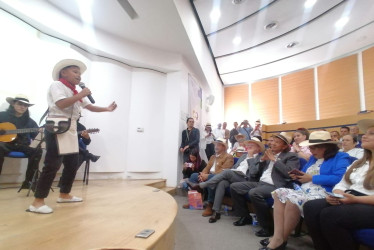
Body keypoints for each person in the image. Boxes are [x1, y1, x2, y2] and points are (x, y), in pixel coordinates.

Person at [29, 59, 117, 214]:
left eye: (80, 73)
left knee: (72, 163)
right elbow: (61, 104)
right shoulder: (57, 85)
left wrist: (106, 109)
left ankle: (64, 194)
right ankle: (37, 202)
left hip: (70, 128)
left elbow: (88, 106)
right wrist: (82, 93)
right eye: (75, 72)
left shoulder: (75, 92)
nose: (79, 76)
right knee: (52, 164)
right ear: (63, 72)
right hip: (57, 127)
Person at [261, 131, 351, 250]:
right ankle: (278, 237)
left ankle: (279, 240)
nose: (312, 151)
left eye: (314, 148)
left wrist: (312, 178)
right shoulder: (314, 158)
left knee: (292, 200)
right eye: (310, 147)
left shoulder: (341, 156)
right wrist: (298, 176)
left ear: (327, 147)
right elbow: (304, 172)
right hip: (305, 189)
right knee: (279, 193)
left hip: (323, 192)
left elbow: (340, 177)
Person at [303, 119, 374, 250]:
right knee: (310, 207)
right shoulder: (359, 162)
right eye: (365, 133)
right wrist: (337, 193)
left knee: (329, 214)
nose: (364, 135)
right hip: (352, 197)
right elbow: (343, 182)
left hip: (368, 202)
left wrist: (355, 199)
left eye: (371, 133)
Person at [230, 133, 300, 237]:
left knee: (254, 193)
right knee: (235, 187)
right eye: (273, 141)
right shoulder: (268, 153)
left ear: (285, 146)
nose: (273, 144)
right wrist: (262, 160)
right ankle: (245, 216)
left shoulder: (291, 156)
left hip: (276, 185)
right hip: (260, 182)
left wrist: (274, 160)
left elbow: (288, 173)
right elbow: (255, 173)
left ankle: (267, 227)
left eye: (277, 142)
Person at [190, 138, 264, 223]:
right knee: (221, 183)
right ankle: (216, 211)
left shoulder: (260, 158)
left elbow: (254, 173)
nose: (249, 146)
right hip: (235, 176)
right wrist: (203, 175)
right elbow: (234, 167)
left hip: (246, 179)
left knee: (224, 173)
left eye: (252, 145)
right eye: (249, 144)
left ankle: (203, 185)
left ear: (258, 148)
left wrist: (251, 157)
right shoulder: (243, 156)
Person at [0, 95, 42, 189]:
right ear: (13, 104)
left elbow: (36, 136)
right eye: (20, 104)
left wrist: (40, 132)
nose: (22, 107)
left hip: (21, 144)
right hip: (4, 144)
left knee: (38, 151)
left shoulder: (30, 121)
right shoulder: (2, 115)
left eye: (25, 105)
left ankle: (28, 182)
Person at [187, 138, 234, 216]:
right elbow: (207, 167)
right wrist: (202, 174)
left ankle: (210, 205)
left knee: (211, 178)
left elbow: (224, 171)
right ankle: (194, 202)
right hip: (208, 175)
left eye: (219, 145)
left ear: (224, 147)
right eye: (215, 145)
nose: (216, 147)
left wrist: (207, 176)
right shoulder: (213, 157)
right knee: (194, 175)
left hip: (219, 177)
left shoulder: (228, 157)